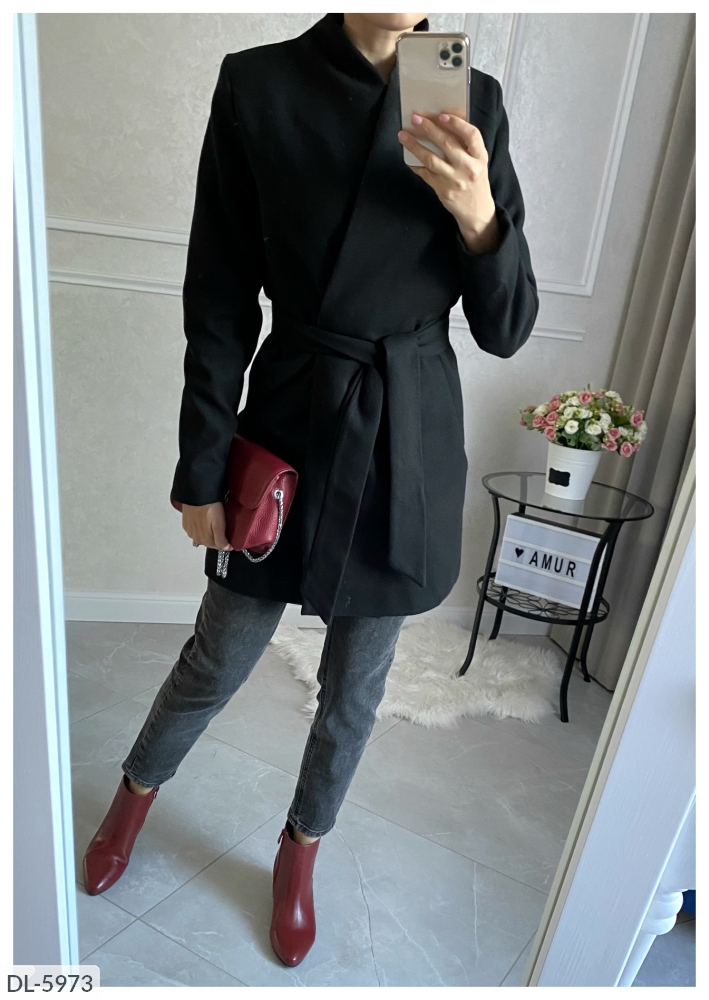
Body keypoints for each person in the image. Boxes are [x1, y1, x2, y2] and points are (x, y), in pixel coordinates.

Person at [82, 12, 538, 967]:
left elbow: (505, 329)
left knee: (355, 688)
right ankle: (134, 798)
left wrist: (478, 218)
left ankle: (300, 852)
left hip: (406, 432)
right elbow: (218, 293)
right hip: (291, 414)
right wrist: (201, 466)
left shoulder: (471, 98)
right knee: (217, 656)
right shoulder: (258, 83)